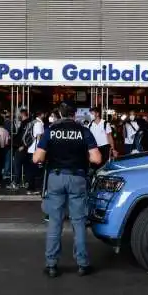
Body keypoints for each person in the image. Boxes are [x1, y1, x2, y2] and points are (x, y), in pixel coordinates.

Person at [33, 102, 101, 278]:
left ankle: (51, 265)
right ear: (75, 114)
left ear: (59, 114)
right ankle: (83, 264)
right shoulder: (83, 131)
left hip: (56, 178)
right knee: (78, 222)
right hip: (77, 178)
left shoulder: (51, 131)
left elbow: (37, 158)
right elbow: (96, 158)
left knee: (55, 222)